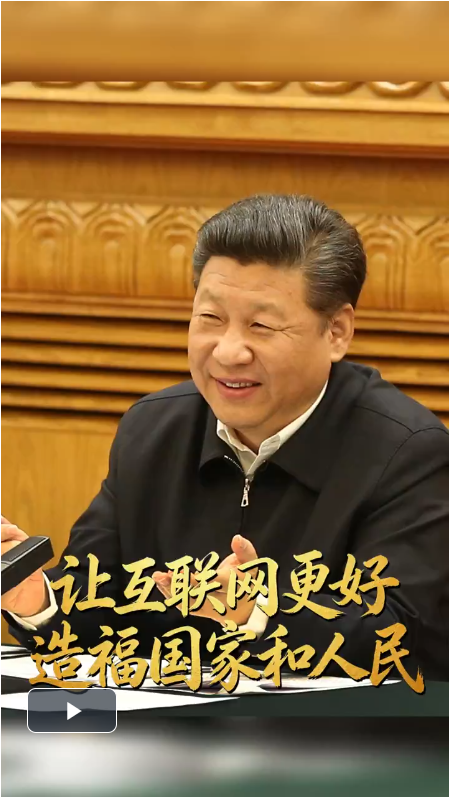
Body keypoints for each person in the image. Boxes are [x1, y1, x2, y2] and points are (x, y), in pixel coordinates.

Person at [2, 194, 448, 680]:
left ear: (336, 331)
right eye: (210, 319)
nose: (229, 352)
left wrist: (259, 614)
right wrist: (38, 600)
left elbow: (400, 636)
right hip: (165, 723)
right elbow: (97, 603)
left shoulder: (407, 452)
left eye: (261, 325)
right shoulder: (153, 430)